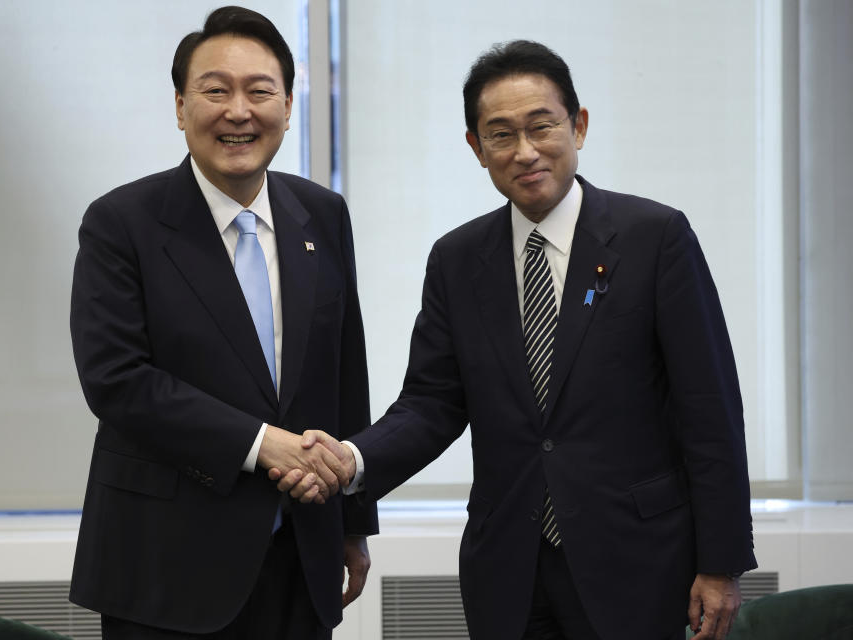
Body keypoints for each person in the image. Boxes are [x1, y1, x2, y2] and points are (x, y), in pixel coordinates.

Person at [278, 40, 756, 640]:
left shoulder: (654, 238)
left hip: (636, 560)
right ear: (477, 150)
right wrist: (352, 460)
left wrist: (721, 562)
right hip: (509, 566)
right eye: (501, 134)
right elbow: (432, 403)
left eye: (542, 126)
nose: (525, 151)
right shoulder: (457, 260)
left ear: (577, 126)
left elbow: (708, 406)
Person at [68, 6, 377, 639]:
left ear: (288, 105)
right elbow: (117, 380)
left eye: (260, 91)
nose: (239, 111)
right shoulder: (122, 222)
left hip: (301, 554)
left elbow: (347, 373)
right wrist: (263, 444)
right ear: (180, 106)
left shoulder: (322, 214)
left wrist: (352, 524)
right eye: (215, 90)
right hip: (165, 566)